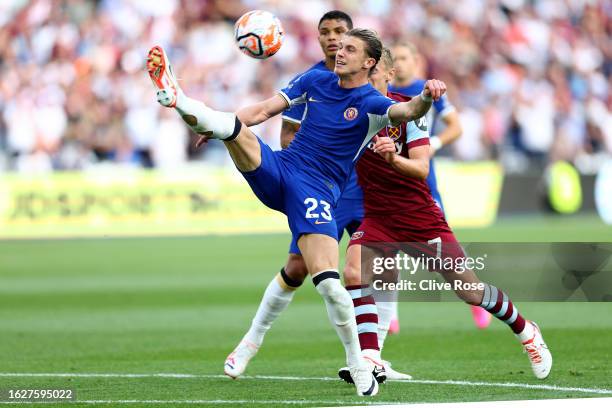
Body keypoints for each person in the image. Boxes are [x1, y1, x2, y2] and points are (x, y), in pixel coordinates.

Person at [146, 28, 447, 396]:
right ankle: (177, 99)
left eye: (350, 48)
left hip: (318, 191)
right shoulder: (316, 79)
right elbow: (260, 111)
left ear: (369, 63)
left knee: (331, 286)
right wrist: (216, 126)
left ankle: (358, 363)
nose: (339, 51)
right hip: (283, 167)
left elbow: (409, 110)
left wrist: (428, 96)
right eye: (338, 44)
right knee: (234, 129)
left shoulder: (372, 103)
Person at [337, 48, 552, 383]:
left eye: (376, 71)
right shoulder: (352, 112)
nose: (368, 76)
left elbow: (422, 168)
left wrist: (393, 159)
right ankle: (369, 358)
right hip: (378, 216)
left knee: (470, 291)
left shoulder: (411, 112)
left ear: (389, 75)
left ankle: (526, 330)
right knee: (353, 271)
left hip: (420, 217)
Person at [222, 11, 411, 385]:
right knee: (298, 268)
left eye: (340, 32)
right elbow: (287, 138)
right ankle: (250, 341)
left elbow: (396, 110)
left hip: (368, 188)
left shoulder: (369, 72)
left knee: (376, 265)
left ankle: (372, 357)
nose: (333, 39)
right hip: (322, 187)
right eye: (325, 33)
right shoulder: (312, 81)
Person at [389, 41, 492, 331]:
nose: (399, 63)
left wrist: (434, 143)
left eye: (404, 57)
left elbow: (456, 127)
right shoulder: (379, 93)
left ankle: (476, 299)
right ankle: (390, 312)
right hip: (388, 177)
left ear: (416, 59)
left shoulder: (429, 90)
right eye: (394, 59)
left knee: (445, 246)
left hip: (422, 179)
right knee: (386, 245)